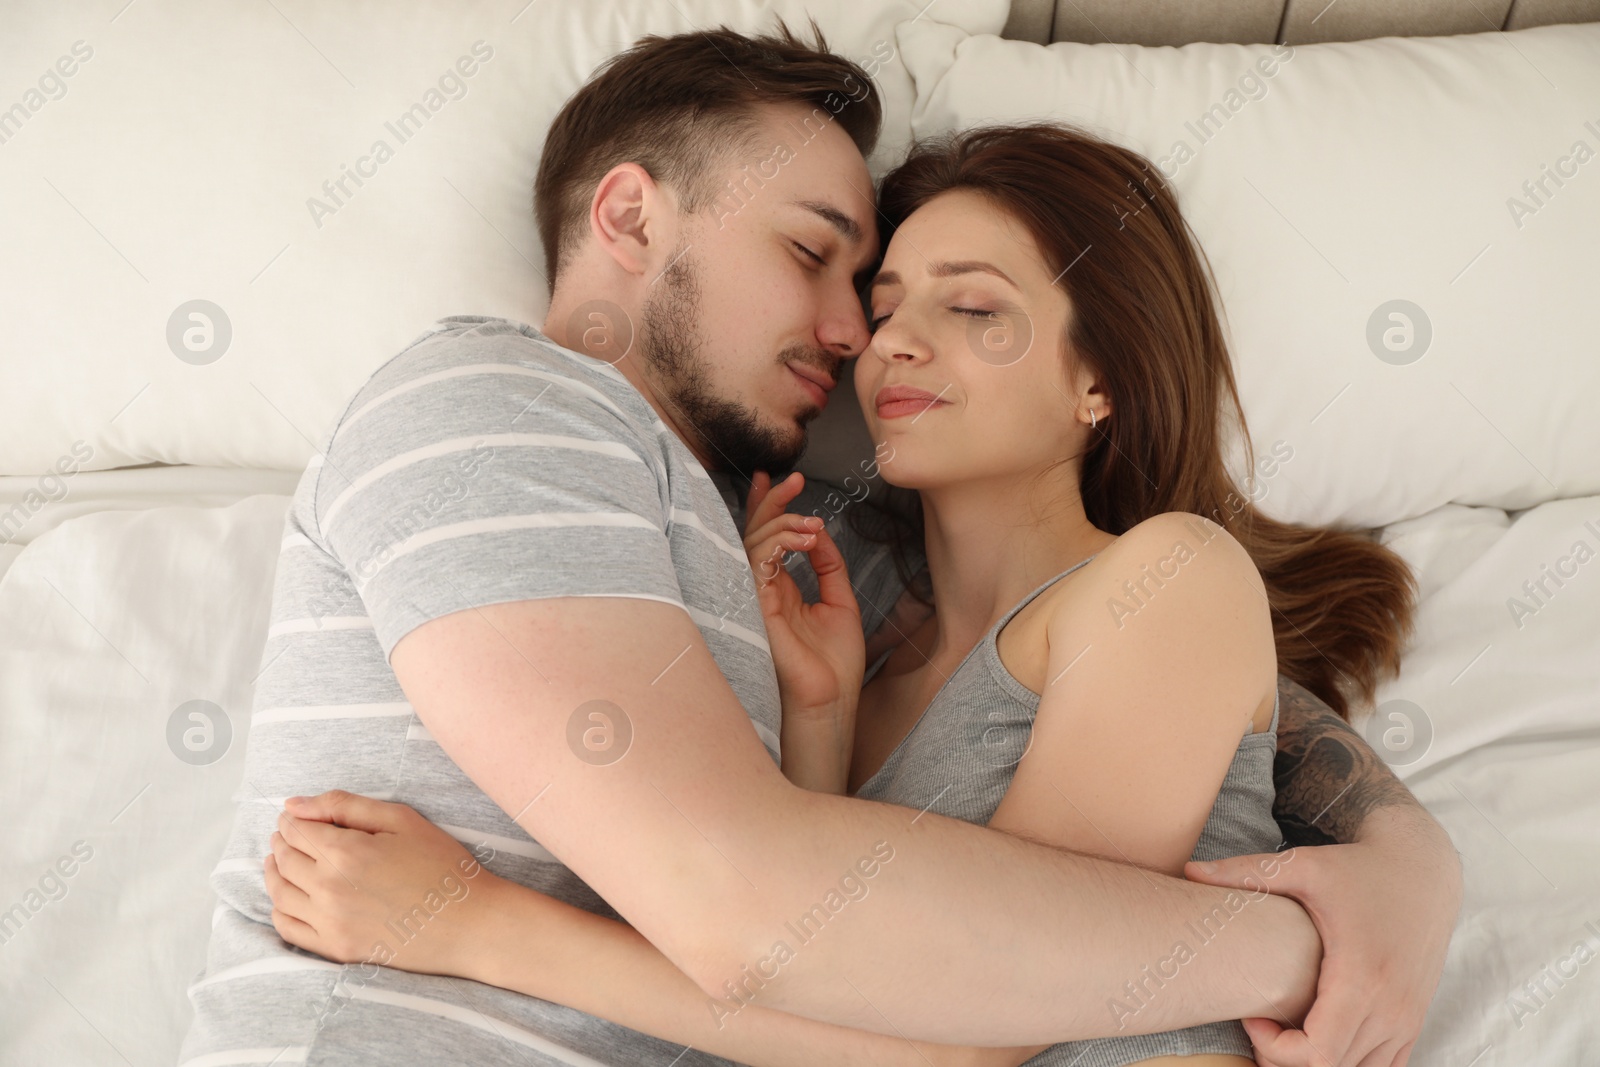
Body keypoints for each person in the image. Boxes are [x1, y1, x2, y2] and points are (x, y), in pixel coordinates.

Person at [180, 23, 1461, 1067]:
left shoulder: (814, 563)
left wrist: (1407, 861)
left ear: (1100, 381)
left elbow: (1223, 717)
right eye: (819, 258)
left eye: (953, 306)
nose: (861, 333)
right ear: (628, 218)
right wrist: (1296, 940)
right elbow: (750, 897)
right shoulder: (507, 408)